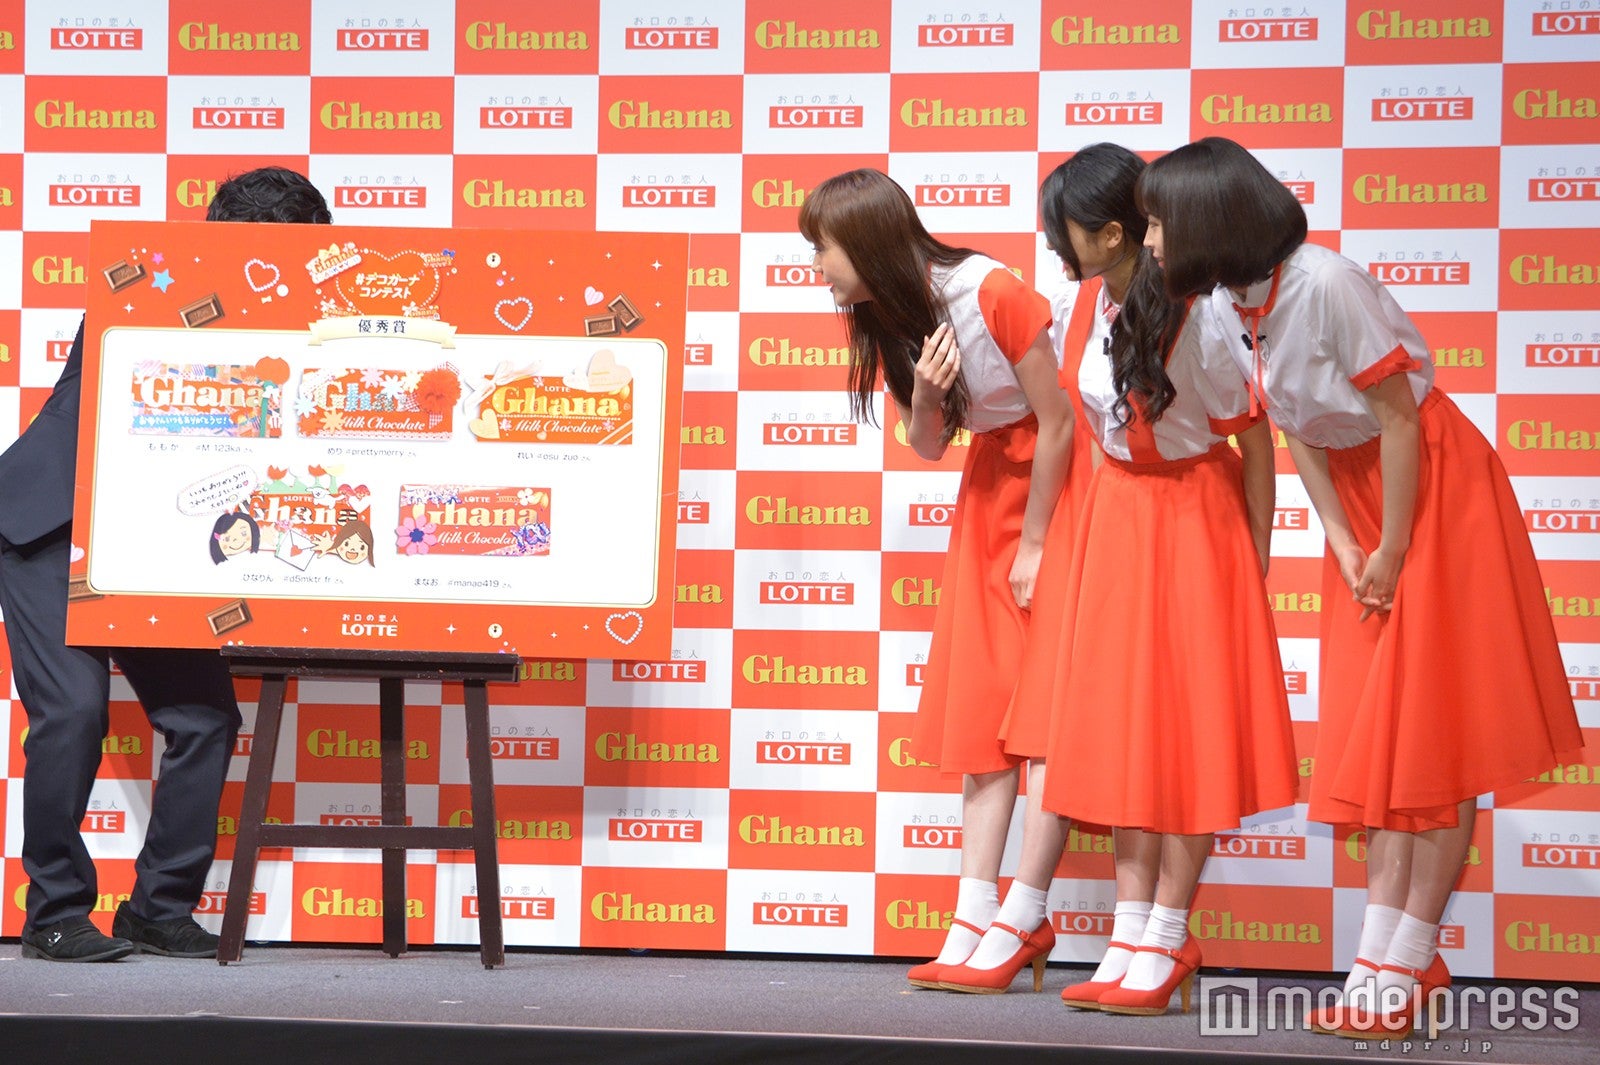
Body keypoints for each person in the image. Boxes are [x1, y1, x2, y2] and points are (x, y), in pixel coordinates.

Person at [1138, 137, 1582, 1036]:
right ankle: (1380, 960)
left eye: (1157, 221)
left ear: (1207, 222)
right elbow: (1294, 425)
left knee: (1436, 731)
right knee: (1380, 737)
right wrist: (1342, 539)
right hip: (1360, 499)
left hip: (1433, 493)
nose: (1150, 239)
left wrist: (1395, 544)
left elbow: (1400, 419)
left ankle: (1407, 958)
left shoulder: (1327, 283)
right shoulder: (1226, 302)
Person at [0, 166, 332, 962]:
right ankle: (54, 912)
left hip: (147, 543)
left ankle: (158, 908)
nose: (272, 274)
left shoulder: (304, 328)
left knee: (205, 717)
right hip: (54, 527)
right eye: (259, 255)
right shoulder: (147, 289)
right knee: (74, 711)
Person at [799, 169, 1089, 994]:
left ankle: (1024, 911)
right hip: (991, 485)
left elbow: (1060, 421)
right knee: (985, 708)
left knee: (1048, 712)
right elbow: (928, 444)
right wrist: (925, 396)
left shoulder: (990, 290)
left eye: (823, 247)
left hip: (1061, 489)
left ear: (867, 242)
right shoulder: (887, 311)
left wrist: (1036, 542)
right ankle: (974, 909)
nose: (816, 265)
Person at [1028, 144, 1297, 1015]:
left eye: (1065, 230)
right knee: (1126, 732)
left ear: (1113, 232)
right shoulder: (1079, 302)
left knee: (1187, 734)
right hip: (1119, 520)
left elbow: (1251, 436)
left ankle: (1169, 931)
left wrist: (1252, 553)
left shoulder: (1201, 312)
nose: (1055, 245)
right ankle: (1131, 927)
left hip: (1194, 522)